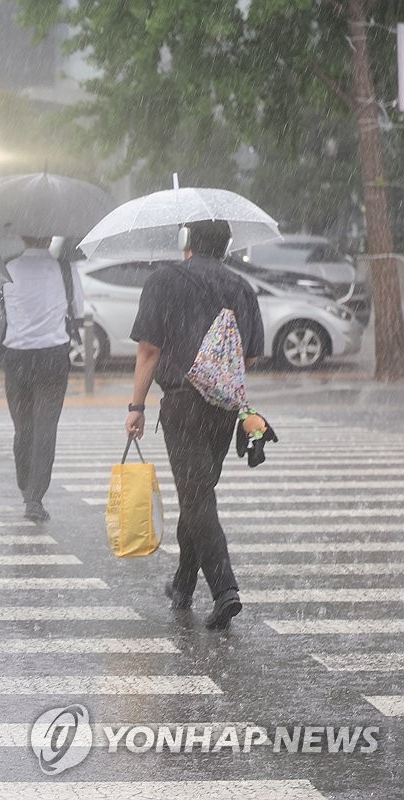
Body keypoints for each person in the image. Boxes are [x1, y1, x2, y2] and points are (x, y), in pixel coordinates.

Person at [125, 219, 263, 630]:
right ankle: (184, 584)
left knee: (196, 497)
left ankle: (225, 590)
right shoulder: (241, 287)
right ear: (226, 246)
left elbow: (149, 351)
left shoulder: (162, 281)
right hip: (224, 408)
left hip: (182, 403)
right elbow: (251, 356)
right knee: (197, 493)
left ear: (185, 240)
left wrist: (136, 405)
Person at [0, 237, 84, 522]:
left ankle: (24, 481)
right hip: (53, 357)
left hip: (16, 357)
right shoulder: (65, 269)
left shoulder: (5, 269)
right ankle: (35, 498)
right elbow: (78, 309)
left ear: (22, 237)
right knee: (45, 429)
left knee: (23, 427)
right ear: (49, 236)